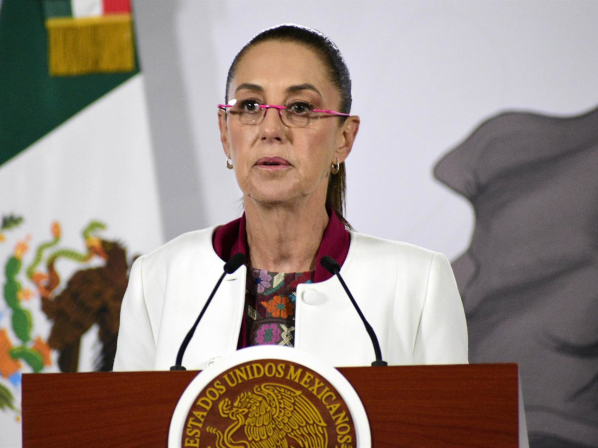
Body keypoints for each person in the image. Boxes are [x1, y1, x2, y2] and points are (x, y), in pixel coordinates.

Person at [113, 24, 467, 371]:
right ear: (224, 132)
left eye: (299, 108)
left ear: (343, 138)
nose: (270, 130)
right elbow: (128, 412)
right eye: (250, 105)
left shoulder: (418, 284)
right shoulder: (157, 279)